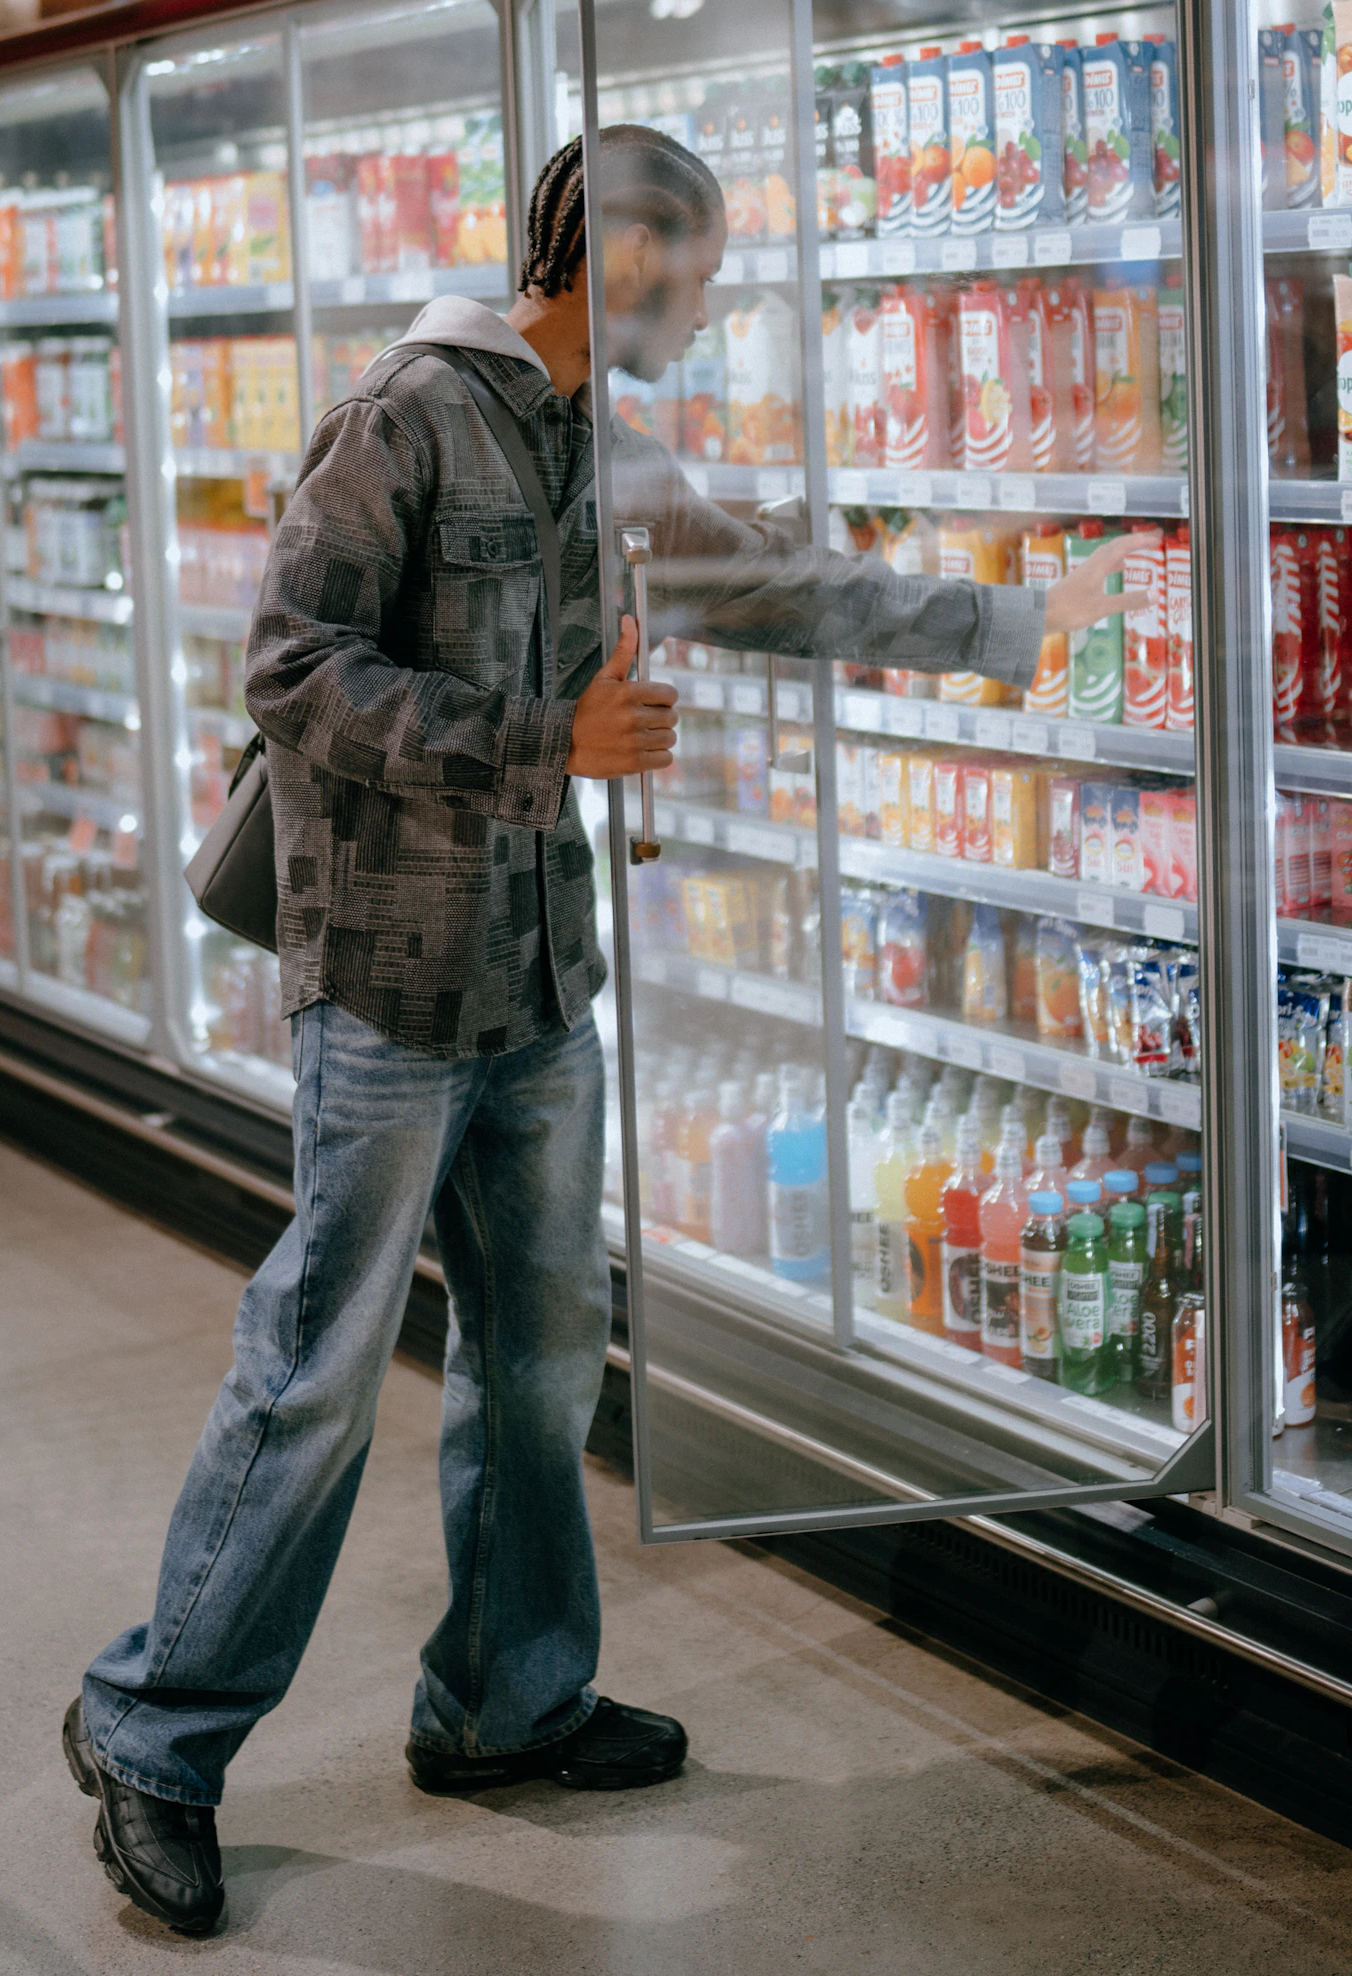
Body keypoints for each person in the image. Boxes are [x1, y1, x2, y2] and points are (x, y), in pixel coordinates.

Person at [63, 126, 1140, 1936]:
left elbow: (778, 583)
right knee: (320, 1366)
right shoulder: (404, 415)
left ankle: (503, 1698)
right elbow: (290, 670)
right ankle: (152, 1732)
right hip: (394, 989)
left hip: (540, 985)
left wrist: (1022, 620)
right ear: (619, 250)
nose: (712, 304)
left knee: (547, 1361)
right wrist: (542, 747)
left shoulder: (605, 448)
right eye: (698, 266)